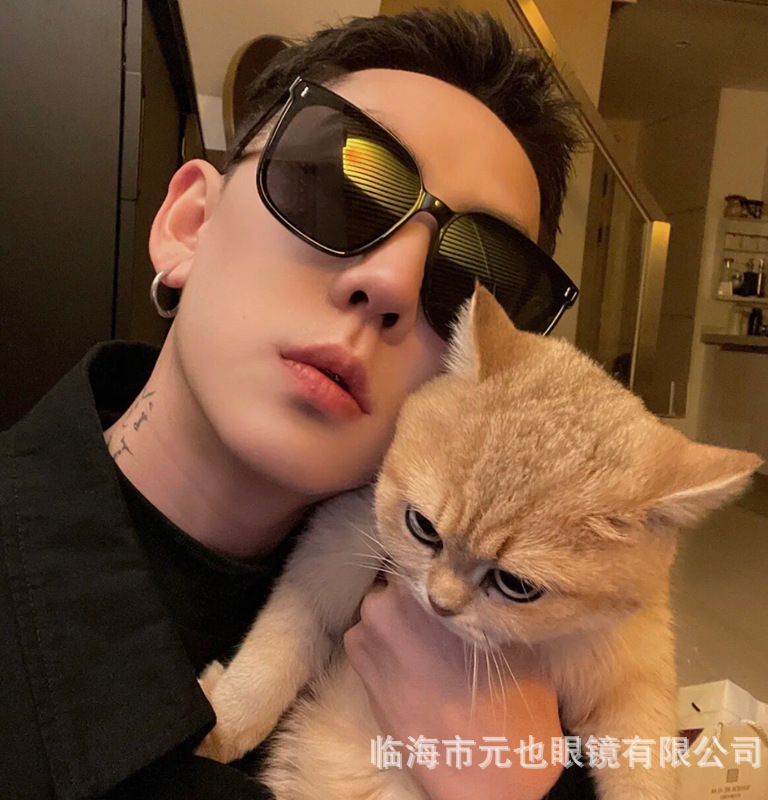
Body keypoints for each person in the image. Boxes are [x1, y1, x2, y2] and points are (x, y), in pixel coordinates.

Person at [0, 9, 597, 799]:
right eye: (341, 192)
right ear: (188, 226)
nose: (391, 283)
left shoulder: (515, 658)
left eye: (475, 281)